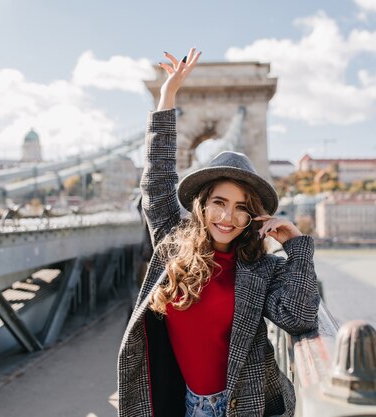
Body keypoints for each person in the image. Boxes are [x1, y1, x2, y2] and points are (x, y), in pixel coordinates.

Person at [117, 47, 320, 417]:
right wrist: (168, 97)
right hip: (183, 401)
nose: (228, 216)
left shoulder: (261, 267)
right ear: (202, 203)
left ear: (252, 216)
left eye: (242, 207)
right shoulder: (172, 243)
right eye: (219, 202)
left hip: (241, 406)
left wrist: (298, 249)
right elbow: (158, 182)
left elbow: (300, 317)